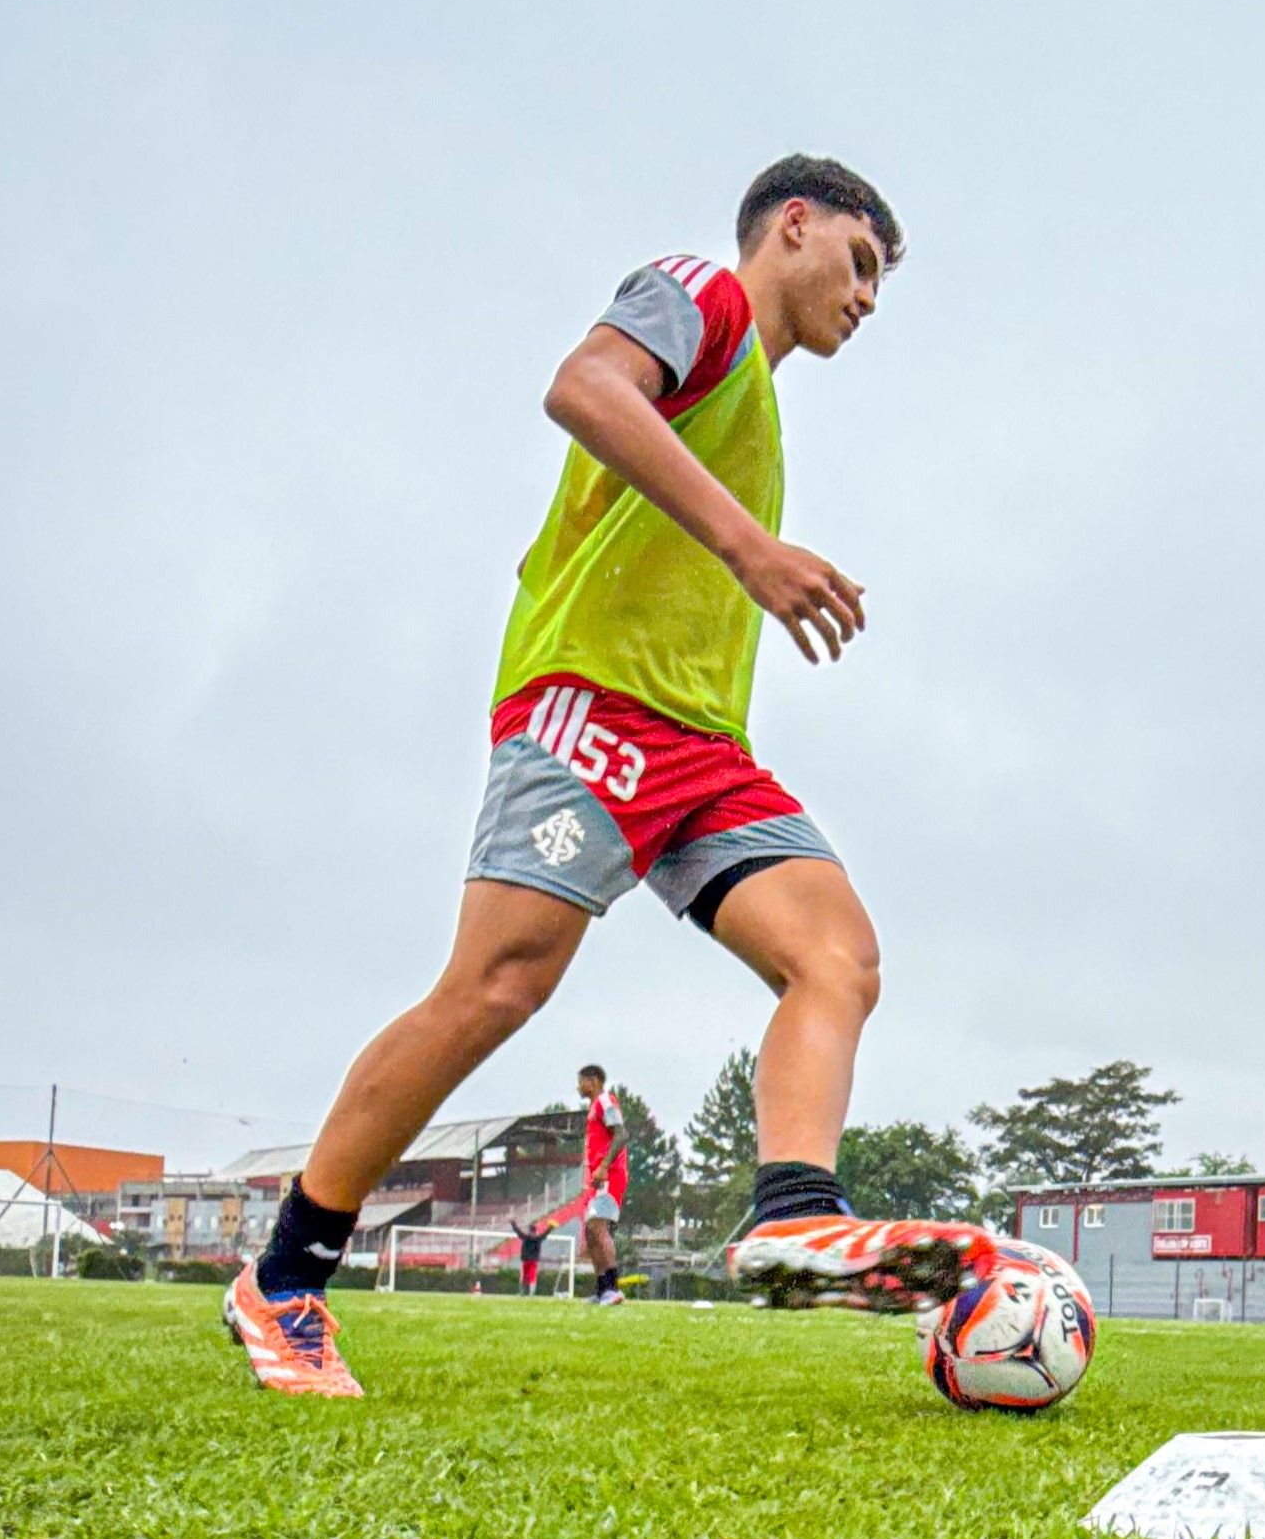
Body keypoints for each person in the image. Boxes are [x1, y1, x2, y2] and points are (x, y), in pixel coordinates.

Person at [226, 155, 996, 1397]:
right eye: (857, 264)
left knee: (836, 955)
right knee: (495, 988)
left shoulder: (759, 400)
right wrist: (751, 551)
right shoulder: (703, 294)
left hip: (701, 750)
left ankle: (795, 1211)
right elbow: (582, 386)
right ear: (790, 227)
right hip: (589, 703)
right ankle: (286, 1275)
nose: (865, 298)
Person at [575, 1065, 628, 1304]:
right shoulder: (593, 1107)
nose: (578, 1087)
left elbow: (621, 1134)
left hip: (610, 1176)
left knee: (598, 1227)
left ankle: (613, 1289)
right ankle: (602, 1290)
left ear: (593, 1080)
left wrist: (604, 1166)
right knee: (590, 1231)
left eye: (581, 1081)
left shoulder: (605, 1101)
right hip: (598, 1179)